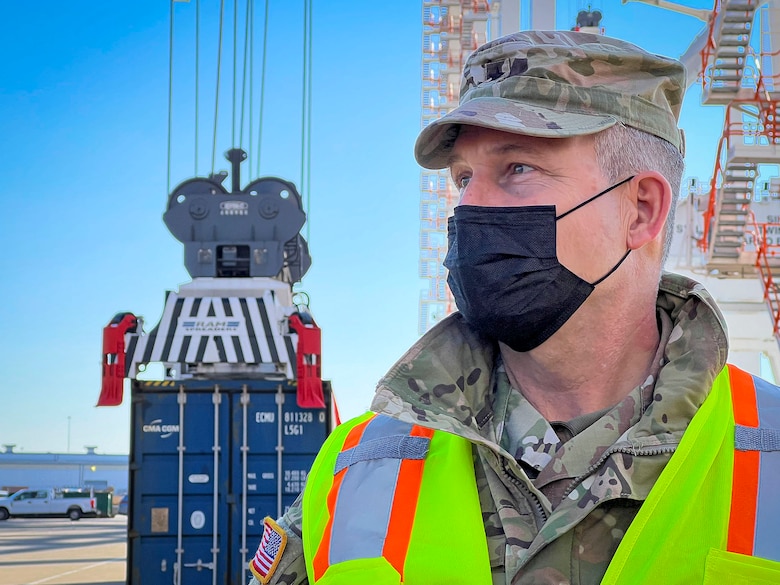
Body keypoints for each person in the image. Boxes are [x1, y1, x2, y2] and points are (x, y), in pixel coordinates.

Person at [248, 30, 780, 585]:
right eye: (463, 178)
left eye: (518, 168)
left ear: (641, 210)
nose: (468, 208)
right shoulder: (356, 470)